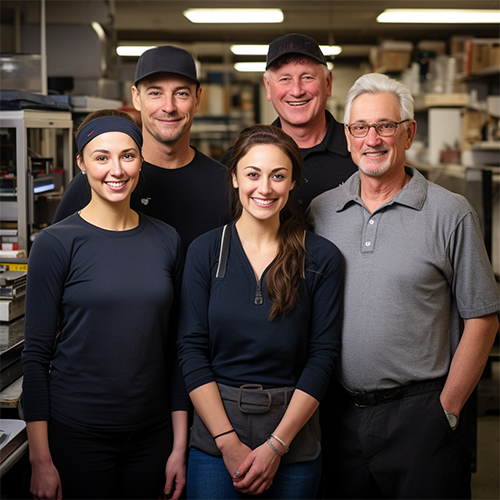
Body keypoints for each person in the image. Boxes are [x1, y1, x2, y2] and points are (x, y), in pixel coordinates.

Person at [307, 73, 500, 499]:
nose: (372, 139)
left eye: (385, 126)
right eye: (360, 127)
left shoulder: (451, 213)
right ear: (348, 136)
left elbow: (483, 319)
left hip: (421, 419)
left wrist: (446, 411)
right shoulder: (322, 212)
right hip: (337, 417)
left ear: (408, 133)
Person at [22, 110, 190, 500]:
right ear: (81, 163)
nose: (117, 169)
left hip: (152, 435)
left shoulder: (167, 239)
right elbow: (36, 357)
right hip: (77, 434)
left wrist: (179, 447)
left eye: (128, 155)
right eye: (101, 157)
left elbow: (178, 350)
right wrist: (41, 460)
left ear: (141, 159)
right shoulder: (56, 243)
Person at [176, 124, 343, 499]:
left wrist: (276, 446)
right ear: (234, 177)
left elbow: (323, 357)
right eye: (253, 174)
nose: (264, 188)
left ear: (293, 182)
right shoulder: (205, 253)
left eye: (278, 176)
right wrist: (226, 442)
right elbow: (191, 350)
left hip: (293, 439)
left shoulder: (321, 258)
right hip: (214, 440)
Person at [53, 45, 230, 250]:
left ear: (197, 99)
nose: (169, 107)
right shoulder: (100, 183)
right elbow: (57, 254)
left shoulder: (224, 185)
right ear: (136, 97)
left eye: (181, 94)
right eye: (155, 93)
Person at [221, 33, 357, 211]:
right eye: (285, 79)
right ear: (268, 87)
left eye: (307, 77)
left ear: (328, 83)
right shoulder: (240, 159)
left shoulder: (361, 149)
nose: (296, 91)